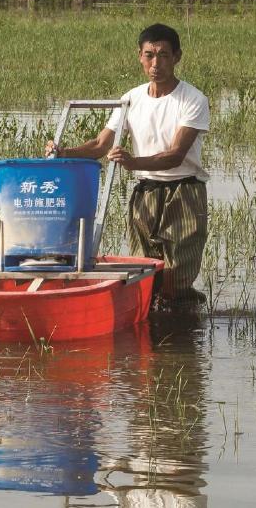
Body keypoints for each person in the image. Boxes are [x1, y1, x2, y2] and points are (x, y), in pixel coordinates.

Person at [46, 23, 209, 305]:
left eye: (163, 55)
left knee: (175, 277)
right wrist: (62, 151)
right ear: (140, 56)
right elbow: (100, 145)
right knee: (144, 272)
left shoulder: (192, 99)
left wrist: (133, 162)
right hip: (145, 192)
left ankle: (185, 326)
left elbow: (175, 155)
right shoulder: (131, 99)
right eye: (149, 55)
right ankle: (154, 337)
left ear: (177, 57)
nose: (156, 63)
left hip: (183, 192)